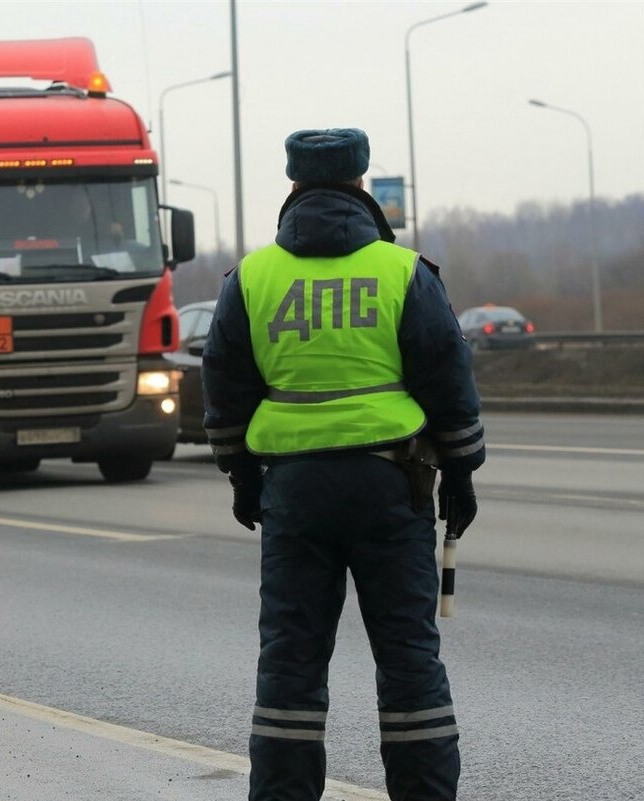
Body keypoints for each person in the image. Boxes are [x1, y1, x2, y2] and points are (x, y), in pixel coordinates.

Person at [201, 128, 484, 801]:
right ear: (362, 184)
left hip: (294, 494)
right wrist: (464, 473)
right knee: (410, 660)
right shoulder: (403, 271)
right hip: (393, 485)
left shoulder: (254, 277)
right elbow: (448, 376)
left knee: (291, 664)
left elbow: (225, 384)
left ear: (293, 186)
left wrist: (242, 475)